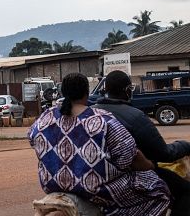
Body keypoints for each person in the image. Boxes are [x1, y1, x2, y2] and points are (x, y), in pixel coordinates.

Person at [28, 72, 171, 215]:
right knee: (159, 191)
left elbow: (32, 139)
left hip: (52, 185)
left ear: (63, 92)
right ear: (87, 93)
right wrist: (150, 165)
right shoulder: (103, 120)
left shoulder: (45, 117)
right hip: (94, 190)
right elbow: (129, 158)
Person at [93, 70, 190, 215]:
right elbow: (163, 153)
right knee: (186, 191)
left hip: (95, 175)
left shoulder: (91, 112)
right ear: (127, 90)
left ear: (105, 89)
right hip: (128, 176)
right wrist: (185, 145)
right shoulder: (135, 116)